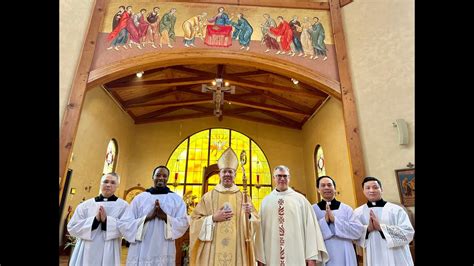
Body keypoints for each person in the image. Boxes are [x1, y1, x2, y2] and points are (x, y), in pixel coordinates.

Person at [189, 147, 259, 266]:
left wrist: (248, 216)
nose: (227, 174)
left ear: (235, 175)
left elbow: (256, 222)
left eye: (230, 172)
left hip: (238, 248)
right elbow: (194, 220)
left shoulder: (244, 197)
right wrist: (212, 218)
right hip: (212, 249)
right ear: (219, 174)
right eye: (224, 171)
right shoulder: (208, 197)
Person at [255, 165, 328, 266]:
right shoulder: (266, 202)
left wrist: (311, 258)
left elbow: (310, 230)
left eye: (285, 176)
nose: (282, 179)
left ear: (289, 178)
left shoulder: (301, 201)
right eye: (278, 176)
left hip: (297, 255)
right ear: (273, 178)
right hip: (272, 256)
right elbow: (260, 233)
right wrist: (260, 259)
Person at [119, 165, 189, 265]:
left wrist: (164, 216)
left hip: (164, 247)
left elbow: (183, 223)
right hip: (142, 247)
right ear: (153, 177)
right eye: (158, 175)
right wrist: (147, 217)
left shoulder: (176, 200)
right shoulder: (140, 198)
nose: (161, 178)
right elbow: (125, 223)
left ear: (167, 178)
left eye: (164, 176)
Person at [67, 172, 129, 266]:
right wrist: (94, 220)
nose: (108, 185)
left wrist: (106, 221)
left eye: (113, 182)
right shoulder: (85, 205)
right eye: (105, 181)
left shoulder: (124, 206)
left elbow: (127, 228)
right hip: (87, 248)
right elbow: (72, 227)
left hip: (110, 247)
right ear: (100, 184)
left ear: (117, 186)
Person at [354, 176, 415, 266]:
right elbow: (354, 234)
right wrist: (367, 229)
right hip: (373, 255)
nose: (372, 190)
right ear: (363, 191)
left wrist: (381, 228)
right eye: (368, 188)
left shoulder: (396, 210)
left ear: (381, 189)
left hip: (397, 256)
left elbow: (408, 233)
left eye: (375, 187)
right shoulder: (357, 213)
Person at [312, 176, 364, 266]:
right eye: (323, 185)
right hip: (323, 251)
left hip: (345, 250)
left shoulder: (346, 208)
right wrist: (324, 221)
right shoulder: (312, 210)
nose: (326, 188)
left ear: (334, 188)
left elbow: (358, 231)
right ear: (318, 190)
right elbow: (310, 233)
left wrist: (335, 220)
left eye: (329, 185)